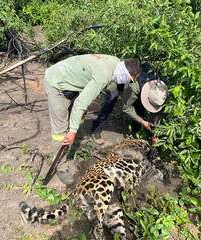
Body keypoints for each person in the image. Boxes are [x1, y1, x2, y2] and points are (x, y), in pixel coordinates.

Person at [44, 54, 142, 186]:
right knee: (60, 129)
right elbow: (80, 103)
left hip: (70, 80)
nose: (129, 83)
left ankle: (73, 143)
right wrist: (72, 131)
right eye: (130, 80)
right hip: (56, 83)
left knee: (79, 115)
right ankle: (60, 167)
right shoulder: (104, 75)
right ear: (125, 74)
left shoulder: (116, 63)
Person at [91, 63, 168, 145]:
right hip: (119, 81)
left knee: (140, 107)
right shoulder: (134, 88)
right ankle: (96, 129)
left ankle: (135, 132)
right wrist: (142, 122)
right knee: (110, 102)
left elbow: (157, 113)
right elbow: (126, 108)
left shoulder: (161, 91)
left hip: (139, 83)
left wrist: (155, 132)